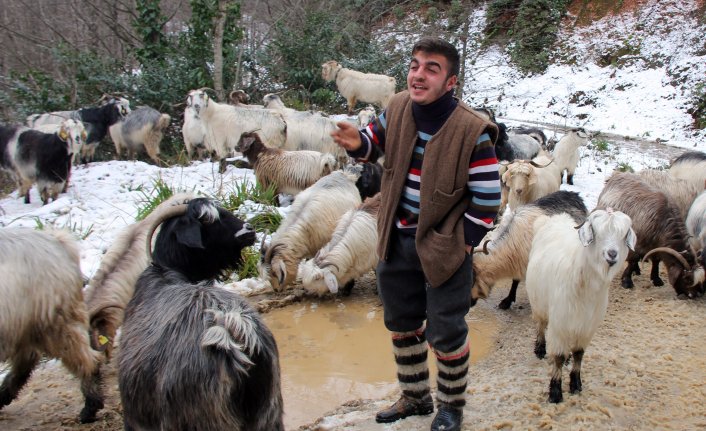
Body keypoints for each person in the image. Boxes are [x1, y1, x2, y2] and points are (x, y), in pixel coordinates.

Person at [331, 37, 501, 431]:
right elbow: (374, 142)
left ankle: (451, 407)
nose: (419, 74)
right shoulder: (397, 108)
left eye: (431, 68)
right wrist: (360, 143)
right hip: (395, 235)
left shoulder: (472, 131)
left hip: (445, 247)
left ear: (450, 81)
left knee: (446, 331)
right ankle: (415, 396)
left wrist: (462, 244)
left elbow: (488, 200)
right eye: (415, 65)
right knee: (402, 323)